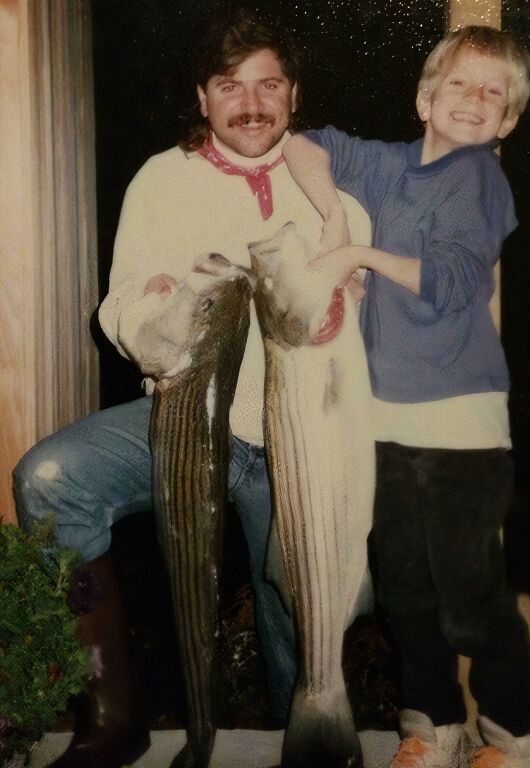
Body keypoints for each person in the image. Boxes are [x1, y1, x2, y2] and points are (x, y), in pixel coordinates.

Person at [12, 9, 369, 768]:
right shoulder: (161, 182)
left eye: (269, 84)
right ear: (202, 99)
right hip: (183, 423)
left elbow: (362, 342)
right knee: (49, 477)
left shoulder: (334, 187)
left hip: (298, 445)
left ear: (294, 95)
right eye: (229, 85)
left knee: (295, 616)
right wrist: (172, 307)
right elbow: (123, 317)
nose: (251, 102)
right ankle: (111, 713)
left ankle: (302, 736)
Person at [283, 26, 530, 768]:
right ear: (424, 97)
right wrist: (338, 214)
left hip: (462, 425)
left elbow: (453, 282)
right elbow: (301, 143)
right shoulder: (387, 165)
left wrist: (356, 254)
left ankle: (521, 733)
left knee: (470, 595)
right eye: (460, 84)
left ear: (507, 122)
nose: (473, 100)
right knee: (405, 589)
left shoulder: (480, 180)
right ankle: (430, 728)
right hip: (381, 420)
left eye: (493, 93)